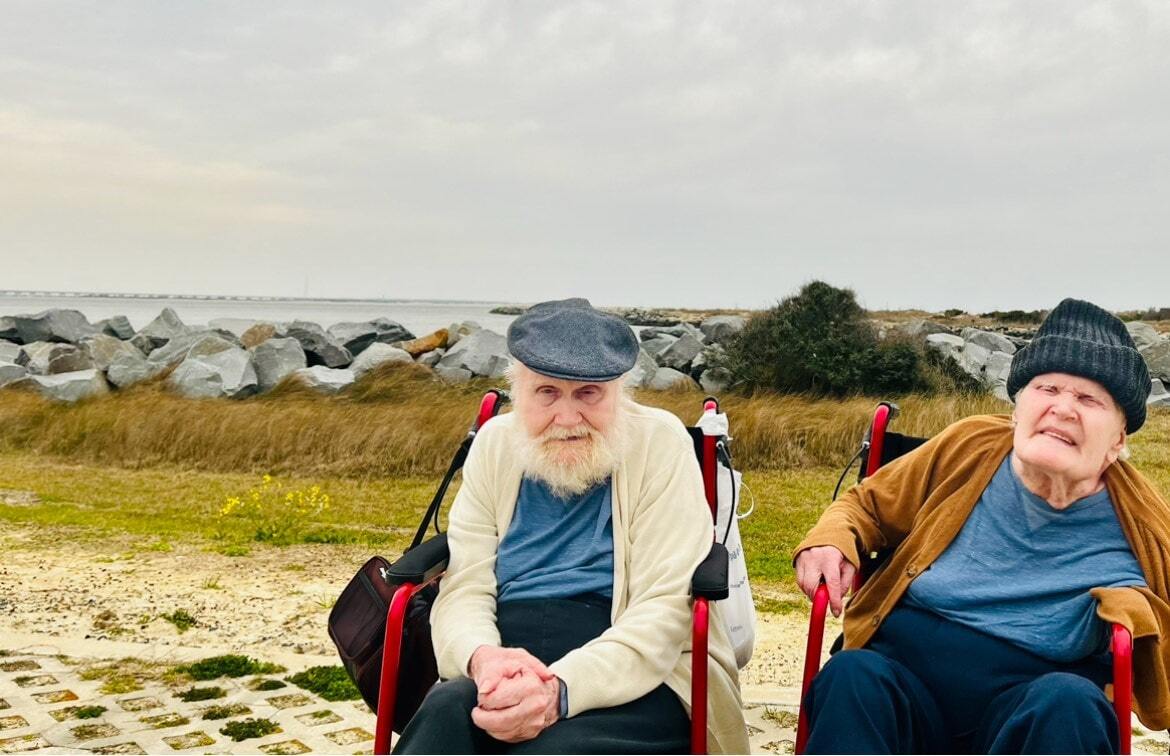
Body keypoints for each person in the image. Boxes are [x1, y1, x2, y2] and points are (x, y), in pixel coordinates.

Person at [795, 298, 1170, 753]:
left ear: (1117, 441)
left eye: (1089, 399)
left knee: (1071, 704)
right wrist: (832, 540)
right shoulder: (968, 446)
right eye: (1047, 388)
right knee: (852, 676)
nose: (1063, 409)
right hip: (904, 681)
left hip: (1034, 703)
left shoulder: (1145, 523)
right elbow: (866, 506)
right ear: (1017, 409)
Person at [393, 298, 749, 754]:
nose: (567, 417)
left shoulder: (660, 442)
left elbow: (665, 608)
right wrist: (483, 659)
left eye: (588, 393)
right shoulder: (495, 445)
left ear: (620, 391)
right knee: (443, 717)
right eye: (547, 393)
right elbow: (465, 587)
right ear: (517, 390)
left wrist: (558, 690)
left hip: (635, 665)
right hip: (505, 651)